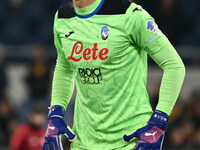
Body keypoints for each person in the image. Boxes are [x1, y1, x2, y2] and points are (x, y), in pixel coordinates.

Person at [42, 0, 185, 150]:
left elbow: (174, 65)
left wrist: (158, 124)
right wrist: (55, 114)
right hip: (83, 142)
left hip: (131, 142)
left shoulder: (130, 15)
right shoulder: (62, 18)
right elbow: (64, 68)